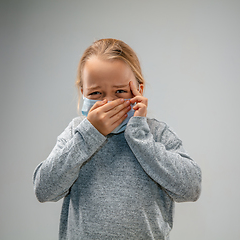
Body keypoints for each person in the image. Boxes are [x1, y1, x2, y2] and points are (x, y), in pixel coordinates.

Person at [33, 38, 202, 240]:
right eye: (96, 93)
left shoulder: (156, 133)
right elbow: (44, 190)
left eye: (120, 91)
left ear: (139, 90)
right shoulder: (76, 134)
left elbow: (191, 189)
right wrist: (90, 134)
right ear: (83, 93)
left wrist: (140, 136)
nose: (109, 102)